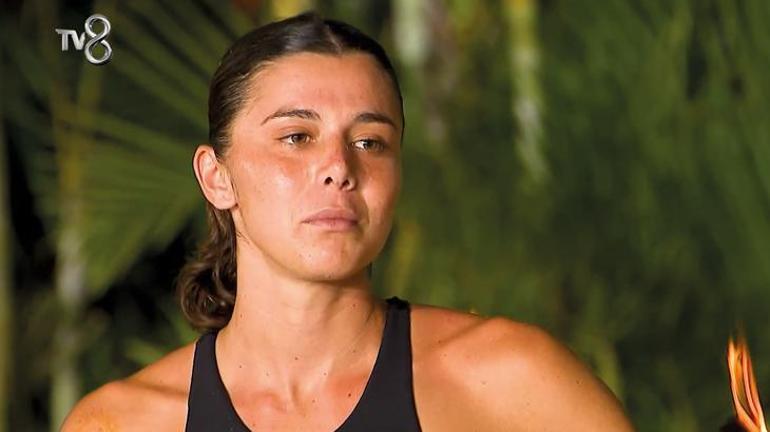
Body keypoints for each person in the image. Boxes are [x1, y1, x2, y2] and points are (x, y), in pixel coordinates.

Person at [61, 11, 635, 431]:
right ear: (217, 176)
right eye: (296, 137)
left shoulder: (511, 382)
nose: (339, 167)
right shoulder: (122, 422)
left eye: (370, 141)